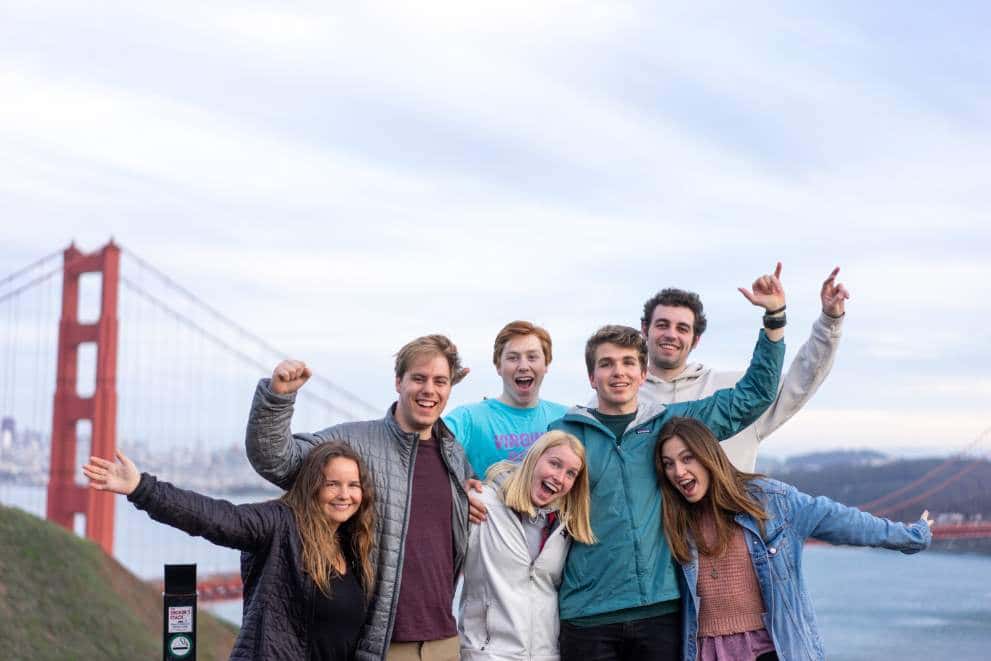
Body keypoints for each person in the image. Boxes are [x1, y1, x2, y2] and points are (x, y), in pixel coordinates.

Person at [550, 265, 787, 661]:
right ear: (591, 376)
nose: (618, 372)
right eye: (606, 364)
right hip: (587, 616)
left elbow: (753, 395)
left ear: (643, 373)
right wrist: (479, 488)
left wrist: (774, 320)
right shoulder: (566, 434)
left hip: (662, 611)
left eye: (628, 363)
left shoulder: (667, 425)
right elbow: (522, 486)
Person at [245, 335, 473, 661]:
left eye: (441, 381)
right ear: (398, 381)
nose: (429, 390)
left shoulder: (455, 456)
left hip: (445, 643)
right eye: (418, 378)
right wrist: (278, 398)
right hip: (382, 647)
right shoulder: (354, 443)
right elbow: (277, 460)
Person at [655, 417, 932, 661]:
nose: (678, 472)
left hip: (770, 650)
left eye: (687, 458)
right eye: (669, 464)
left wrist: (912, 535)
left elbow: (846, 521)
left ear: (709, 456)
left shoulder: (772, 502)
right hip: (705, 652)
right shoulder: (673, 519)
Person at [82, 441, 376, 661]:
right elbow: (213, 518)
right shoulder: (279, 524)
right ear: (312, 487)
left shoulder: (352, 545)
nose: (345, 495)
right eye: (332, 484)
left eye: (353, 485)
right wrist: (141, 488)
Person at [639, 264, 849, 471]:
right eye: (662, 325)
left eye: (682, 328)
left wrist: (829, 322)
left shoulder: (738, 393)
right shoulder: (621, 398)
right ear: (645, 329)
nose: (671, 334)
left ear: (696, 340)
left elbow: (803, 379)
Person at [459, 430, 595, 660]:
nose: (559, 478)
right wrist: (453, 497)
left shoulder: (564, 527)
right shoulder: (482, 504)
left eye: (571, 473)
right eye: (554, 464)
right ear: (534, 457)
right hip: (488, 653)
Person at [445, 320, 568, 478]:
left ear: (546, 364)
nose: (523, 366)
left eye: (532, 357)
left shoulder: (566, 420)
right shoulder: (468, 418)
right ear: (498, 366)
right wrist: (439, 387)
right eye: (513, 358)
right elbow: (424, 446)